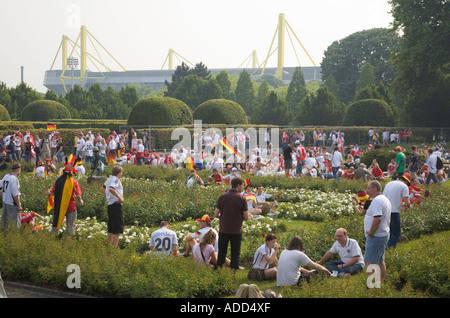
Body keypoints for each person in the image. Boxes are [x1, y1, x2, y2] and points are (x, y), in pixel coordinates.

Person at [214, 177, 249, 278]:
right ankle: (232, 276)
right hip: (236, 230)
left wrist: (224, 217)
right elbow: (246, 217)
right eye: (242, 185)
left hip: (224, 229)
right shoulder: (242, 199)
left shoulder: (222, 197)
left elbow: (216, 214)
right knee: (235, 253)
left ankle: (219, 273)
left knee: (222, 252)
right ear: (238, 185)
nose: (243, 187)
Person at [364, 180, 392, 283]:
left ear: (375, 189)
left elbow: (377, 218)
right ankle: (380, 282)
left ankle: (373, 286)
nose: (367, 191)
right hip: (383, 234)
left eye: (369, 188)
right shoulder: (384, 199)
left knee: (369, 262)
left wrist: (371, 232)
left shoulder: (376, 201)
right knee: (380, 261)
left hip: (376, 236)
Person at [47, 164, 83, 236]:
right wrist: (80, 201)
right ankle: (68, 243)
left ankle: (53, 239)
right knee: (70, 227)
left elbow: (52, 193)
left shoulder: (58, 181)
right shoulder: (74, 182)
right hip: (71, 207)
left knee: (56, 224)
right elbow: (78, 195)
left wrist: (48, 193)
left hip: (59, 207)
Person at [383, 174, 411, 249]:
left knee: (389, 232)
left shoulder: (389, 184)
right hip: (394, 211)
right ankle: (389, 248)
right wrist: (408, 205)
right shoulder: (404, 186)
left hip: (385, 210)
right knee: (396, 233)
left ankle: (385, 248)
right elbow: (407, 202)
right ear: (406, 181)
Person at [102, 165, 124, 247]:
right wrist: (120, 198)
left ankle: (109, 245)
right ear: (119, 173)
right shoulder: (116, 179)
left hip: (110, 204)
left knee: (111, 226)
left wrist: (108, 196)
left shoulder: (109, 179)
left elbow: (102, 188)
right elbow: (111, 188)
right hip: (116, 204)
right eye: (121, 172)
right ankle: (115, 247)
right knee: (117, 227)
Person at [0, 163, 22, 230]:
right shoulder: (14, 179)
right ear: (18, 169)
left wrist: (3, 197)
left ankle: (4, 234)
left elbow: (0, 189)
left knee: (4, 220)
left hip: (5, 201)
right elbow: (15, 194)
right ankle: (14, 235)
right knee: (14, 222)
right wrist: (19, 205)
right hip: (12, 203)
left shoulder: (6, 176)